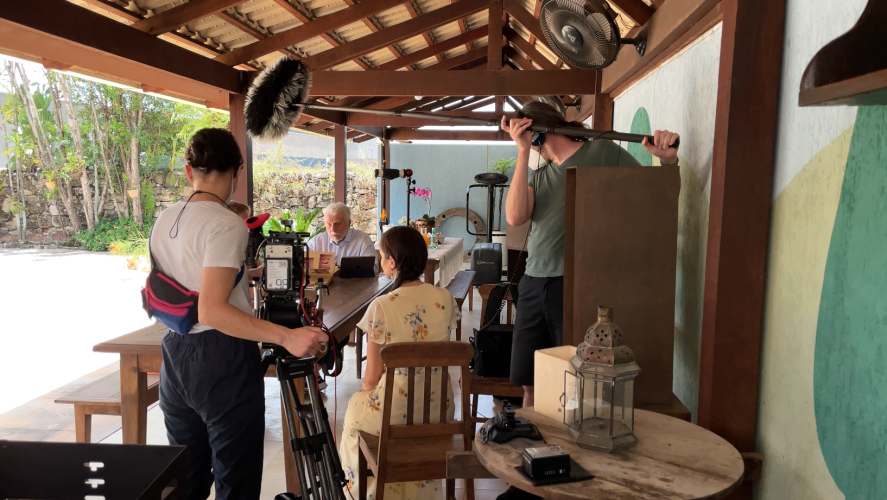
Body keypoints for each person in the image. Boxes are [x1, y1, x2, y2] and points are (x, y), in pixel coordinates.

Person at [498, 103, 680, 500]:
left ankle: (576, 480)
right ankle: (531, 481)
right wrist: (523, 150)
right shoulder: (540, 173)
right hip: (534, 281)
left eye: (528, 134)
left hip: (580, 282)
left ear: (542, 128)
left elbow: (650, 199)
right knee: (530, 383)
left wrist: (667, 163)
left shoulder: (603, 151)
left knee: (578, 387)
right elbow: (515, 218)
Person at [150, 128, 327, 500]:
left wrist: (250, 274)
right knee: (236, 479)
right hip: (222, 358)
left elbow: (190, 280)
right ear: (237, 171)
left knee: (187, 478)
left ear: (188, 171)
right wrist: (287, 336)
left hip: (175, 354)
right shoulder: (226, 222)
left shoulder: (164, 219)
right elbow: (212, 309)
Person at [339, 226, 461, 500]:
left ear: (392, 262)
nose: (380, 262)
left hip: (393, 413)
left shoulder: (382, 306)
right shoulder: (445, 299)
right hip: (438, 409)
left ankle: (367, 493)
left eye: (381, 256)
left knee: (353, 414)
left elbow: (371, 379)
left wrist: (363, 395)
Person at [308, 202, 378, 273]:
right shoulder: (316, 242)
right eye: (329, 224)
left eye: (337, 224)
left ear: (349, 223)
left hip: (354, 283)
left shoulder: (362, 239)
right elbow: (303, 266)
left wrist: (340, 269)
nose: (333, 229)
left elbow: (374, 268)